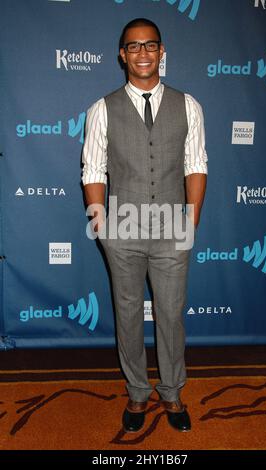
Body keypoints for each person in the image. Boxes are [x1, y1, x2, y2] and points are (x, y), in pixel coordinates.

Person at [82, 18, 208, 433]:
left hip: (173, 228)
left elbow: (196, 164)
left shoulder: (189, 105)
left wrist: (190, 221)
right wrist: (101, 225)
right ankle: (137, 390)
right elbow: (93, 169)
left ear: (161, 51)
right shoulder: (102, 109)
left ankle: (171, 392)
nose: (142, 53)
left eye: (149, 45)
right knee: (128, 313)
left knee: (171, 315)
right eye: (133, 47)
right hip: (122, 229)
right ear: (122, 54)